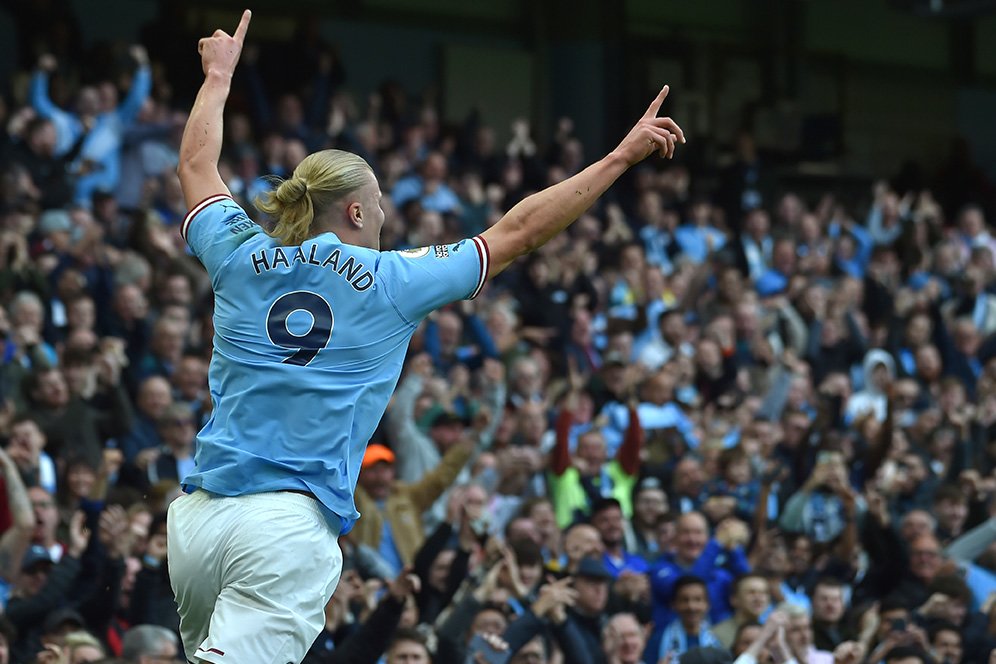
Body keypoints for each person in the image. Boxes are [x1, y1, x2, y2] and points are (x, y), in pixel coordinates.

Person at [166, 9, 684, 664]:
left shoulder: (237, 253)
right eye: (379, 203)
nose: (385, 214)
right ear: (356, 210)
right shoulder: (391, 279)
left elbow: (195, 165)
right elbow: (518, 233)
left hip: (198, 520)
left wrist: (217, 78)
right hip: (283, 527)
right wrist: (619, 157)